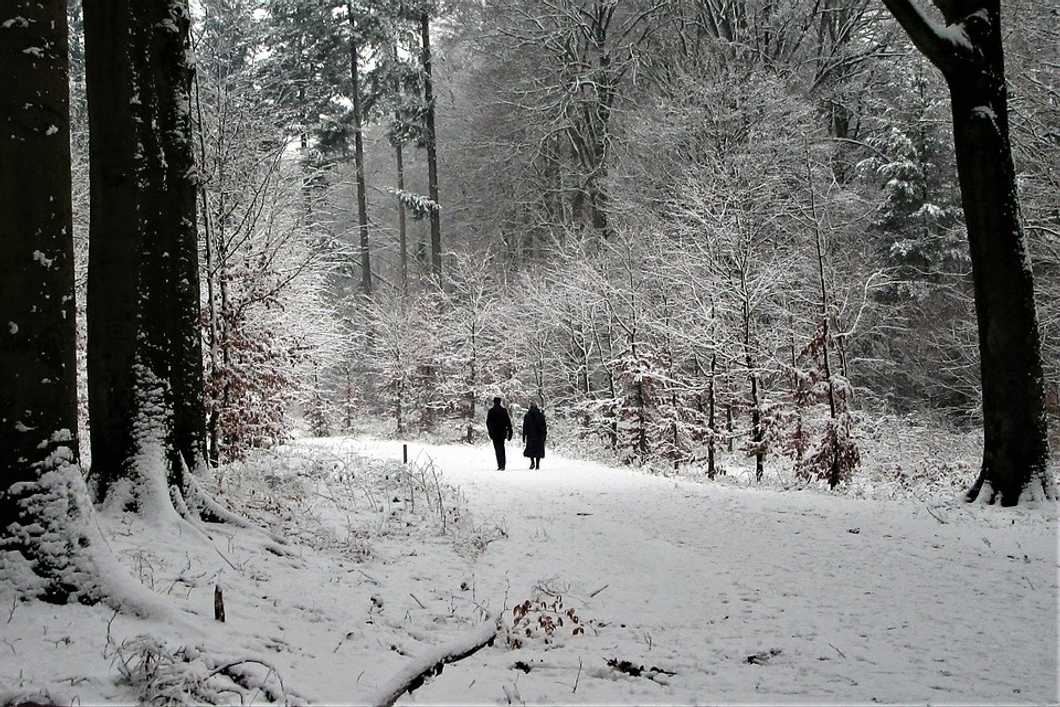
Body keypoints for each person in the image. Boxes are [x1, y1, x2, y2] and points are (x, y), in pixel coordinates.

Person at [485, 397, 513, 470]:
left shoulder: (491, 411)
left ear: (494, 402)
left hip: (494, 433)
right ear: (500, 402)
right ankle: (503, 464)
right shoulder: (503, 410)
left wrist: (490, 431)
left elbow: (488, 423)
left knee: (497, 449)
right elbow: (508, 422)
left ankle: (499, 464)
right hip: (502, 432)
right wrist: (510, 431)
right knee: (502, 448)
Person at [522, 401, 547, 470]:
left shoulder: (527, 415)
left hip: (530, 435)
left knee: (531, 450)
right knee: (538, 450)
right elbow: (544, 426)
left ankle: (532, 462)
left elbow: (525, 426)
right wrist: (544, 435)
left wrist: (524, 435)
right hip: (539, 436)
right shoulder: (541, 415)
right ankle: (537, 465)